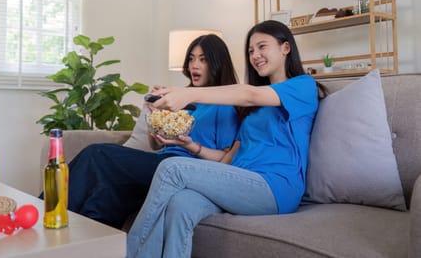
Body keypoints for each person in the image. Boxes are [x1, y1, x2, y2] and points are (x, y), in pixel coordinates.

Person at [126, 20, 328, 258]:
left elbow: (249, 94)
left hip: (274, 187)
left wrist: (187, 93)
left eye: (262, 47)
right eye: (251, 51)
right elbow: (231, 156)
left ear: (285, 48)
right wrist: (192, 147)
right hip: (241, 182)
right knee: (181, 203)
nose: (255, 55)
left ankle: (127, 253)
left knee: (171, 168)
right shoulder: (254, 112)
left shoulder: (302, 86)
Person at [52, 34, 241, 229]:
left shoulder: (224, 105)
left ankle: (47, 213)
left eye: (203, 60)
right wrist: (156, 118)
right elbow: (157, 144)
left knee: (96, 154)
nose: (194, 65)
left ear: (217, 63)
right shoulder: (182, 98)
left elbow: (225, 159)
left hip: (182, 171)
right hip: (162, 161)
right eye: (191, 58)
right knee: (104, 196)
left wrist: (192, 146)